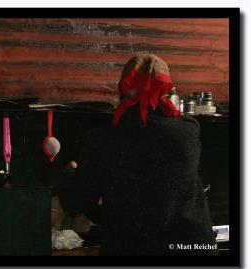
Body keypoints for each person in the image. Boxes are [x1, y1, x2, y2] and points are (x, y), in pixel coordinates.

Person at [58, 53, 219, 256]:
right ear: (166, 90)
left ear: (122, 89)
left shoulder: (102, 140)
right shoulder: (188, 130)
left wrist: (69, 174)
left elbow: (75, 202)